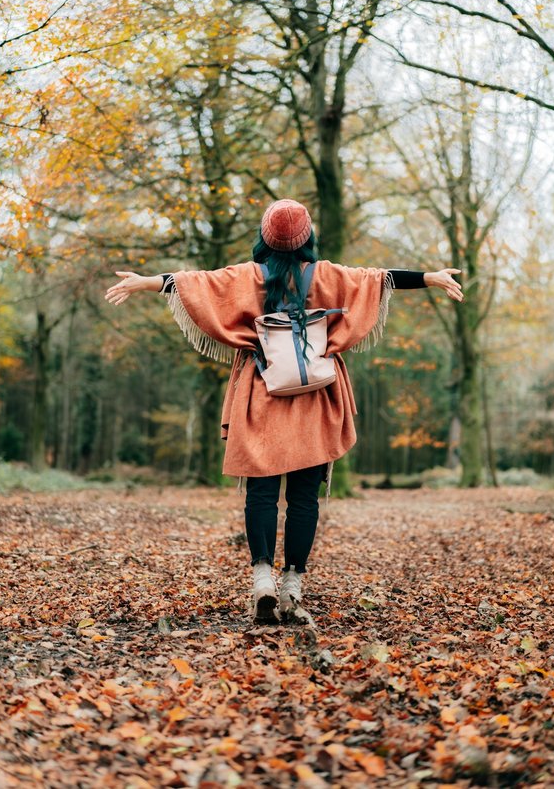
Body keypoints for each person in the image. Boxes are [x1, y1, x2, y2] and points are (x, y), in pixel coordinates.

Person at [105, 199, 464, 623]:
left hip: (262, 392)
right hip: (315, 397)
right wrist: (430, 277)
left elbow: (191, 283)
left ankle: (262, 577)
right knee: (303, 498)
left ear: (264, 238)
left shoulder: (244, 277)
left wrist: (143, 282)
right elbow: (380, 279)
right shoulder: (327, 275)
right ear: (307, 237)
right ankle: (292, 582)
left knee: (260, 492)